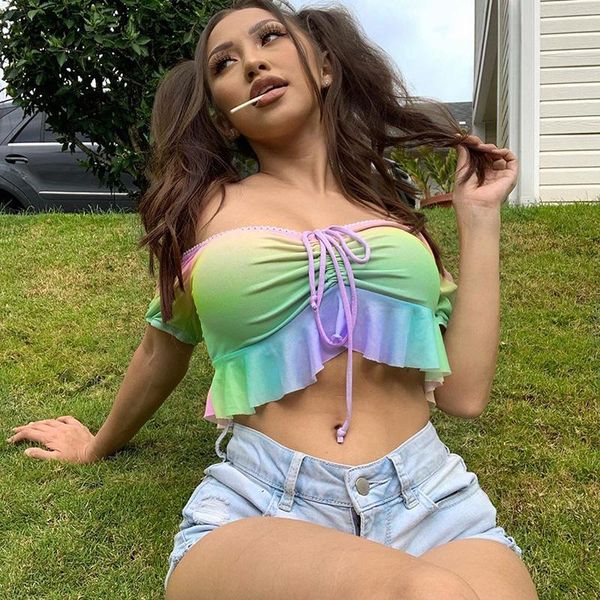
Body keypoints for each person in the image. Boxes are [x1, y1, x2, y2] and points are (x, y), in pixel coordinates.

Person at [8, 1, 539, 598]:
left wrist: (480, 217)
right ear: (224, 119)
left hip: (434, 500)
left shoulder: (395, 219)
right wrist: (96, 445)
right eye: (224, 63)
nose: (253, 63)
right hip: (264, 503)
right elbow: (161, 350)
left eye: (269, 38)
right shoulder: (202, 212)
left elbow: (463, 396)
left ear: (325, 68)